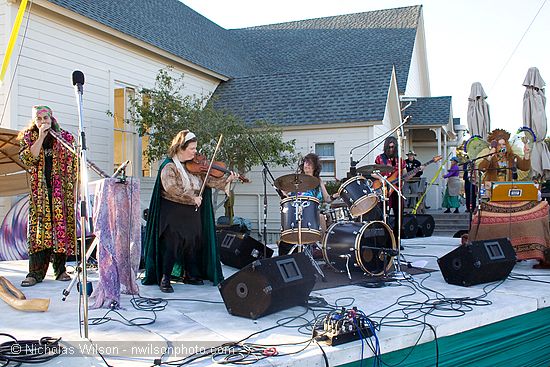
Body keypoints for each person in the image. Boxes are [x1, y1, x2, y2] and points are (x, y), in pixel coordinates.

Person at [142, 130, 238, 293]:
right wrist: (192, 198)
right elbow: (171, 188)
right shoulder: (169, 166)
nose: (195, 152)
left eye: (195, 148)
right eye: (192, 148)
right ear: (181, 147)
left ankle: (191, 274)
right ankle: (165, 277)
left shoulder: (194, 168)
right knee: (172, 243)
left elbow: (210, 181)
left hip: (192, 212)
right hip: (172, 211)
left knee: (193, 241)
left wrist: (227, 179)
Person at [18, 105, 78, 287]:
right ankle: (35, 273)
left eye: (46, 118)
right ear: (35, 121)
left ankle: (60, 271)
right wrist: (41, 136)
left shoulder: (65, 138)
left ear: (52, 119)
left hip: (61, 192)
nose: (43, 122)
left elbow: (75, 167)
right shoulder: (29, 137)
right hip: (40, 193)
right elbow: (29, 158)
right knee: (39, 232)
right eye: (39, 119)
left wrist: (75, 192)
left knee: (61, 228)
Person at [278, 153, 337, 256]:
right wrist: (284, 196)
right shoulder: (296, 180)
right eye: (305, 163)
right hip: (296, 213)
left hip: (312, 214)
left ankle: (323, 251)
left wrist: (336, 195)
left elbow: (327, 199)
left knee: (322, 217)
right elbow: (283, 192)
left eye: (309, 164)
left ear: (315, 167)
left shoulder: (318, 181)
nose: (306, 166)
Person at [374, 136, 406, 241]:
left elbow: (405, 174)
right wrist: (382, 179)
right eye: (389, 147)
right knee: (383, 215)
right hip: (384, 190)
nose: (391, 149)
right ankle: (384, 240)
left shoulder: (400, 160)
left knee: (399, 216)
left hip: (397, 190)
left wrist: (405, 179)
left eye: (393, 147)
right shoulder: (380, 158)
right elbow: (373, 173)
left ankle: (397, 241)